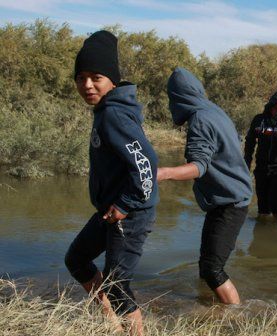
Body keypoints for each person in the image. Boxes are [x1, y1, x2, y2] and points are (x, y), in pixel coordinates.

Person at [64, 31, 159, 336]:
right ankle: (112, 325)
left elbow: (146, 165)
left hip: (130, 213)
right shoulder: (107, 110)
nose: (87, 85)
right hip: (112, 209)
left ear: (112, 80)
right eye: (80, 78)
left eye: (95, 77)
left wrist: (125, 204)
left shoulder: (113, 115)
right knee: (77, 258)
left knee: (117, 284)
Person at [157, 68, 252, 305]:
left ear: (177, 97)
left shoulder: (200, 119)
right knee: (206, 265)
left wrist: (164, 173)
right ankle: (209, 309)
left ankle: (236, 317)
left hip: (230, 203)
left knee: (212, 269)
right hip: (230, 198)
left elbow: (198, 167)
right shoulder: (215, 111)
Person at [245, 90, 277, 218]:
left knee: (274, 201)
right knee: (262, 205)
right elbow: (250, 141)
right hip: (262, 167)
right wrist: (246, 161)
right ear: (271, 109)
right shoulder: (259, 120)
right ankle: (262, 231)